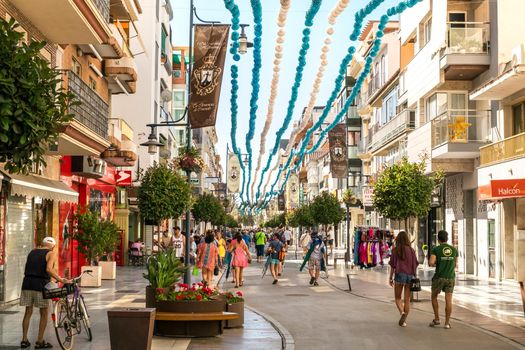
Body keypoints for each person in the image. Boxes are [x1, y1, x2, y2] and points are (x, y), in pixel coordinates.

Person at [21, 237, 71, 349]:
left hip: (27, 283)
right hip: (40, 285)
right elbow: (48, 269)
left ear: (42, 244)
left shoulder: (32, 252)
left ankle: (24, 340)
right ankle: (40, 341)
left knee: (28, 312)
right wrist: (60, 279)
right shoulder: (51, 253)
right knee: (44, 313)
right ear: (52, 246)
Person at [388, 231, 419, 327]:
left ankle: (402, 313)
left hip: (399, 275)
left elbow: (393, 265)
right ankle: (404, 321)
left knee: (397, 298)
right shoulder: (411, 250)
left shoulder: (395, 250)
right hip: (410, 276)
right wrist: (414, 274)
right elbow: (416, 264)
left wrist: (390, 278)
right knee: (407, 299)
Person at [429, 230, 458, 329]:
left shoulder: (436, 249)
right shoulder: (454, 250)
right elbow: (454, 264)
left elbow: (431, 263)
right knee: (448, 300)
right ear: (447, 238)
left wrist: (438, 262)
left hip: (439, 277)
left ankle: (437, 319)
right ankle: (447, 323)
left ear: (438, 239)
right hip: (450, 277)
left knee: (434, 297)